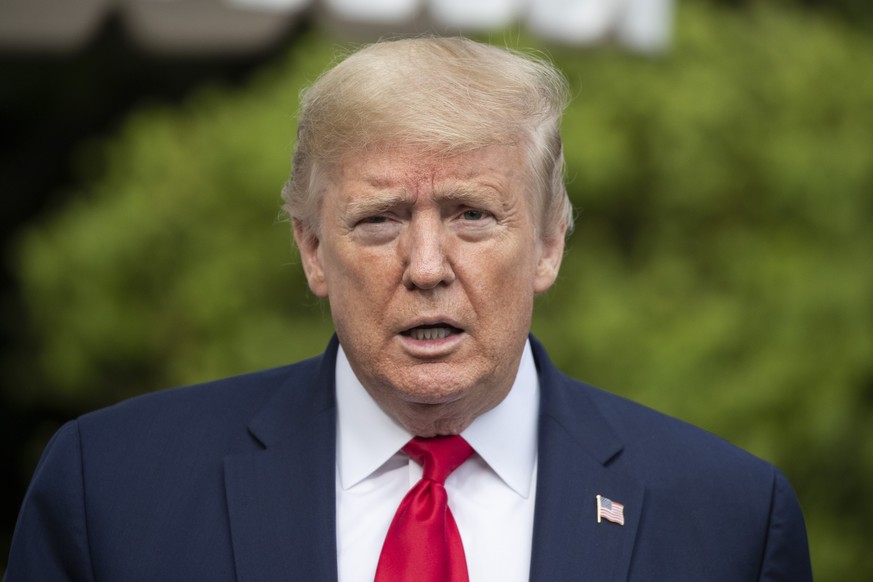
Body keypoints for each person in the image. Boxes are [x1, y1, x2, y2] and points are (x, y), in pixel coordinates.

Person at [6, 37, 811, 581]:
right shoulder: (110, 491)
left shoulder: (727, 519)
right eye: (379, 219)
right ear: (313, 250)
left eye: (471, 214)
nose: (426, 267)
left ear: (548, 245)